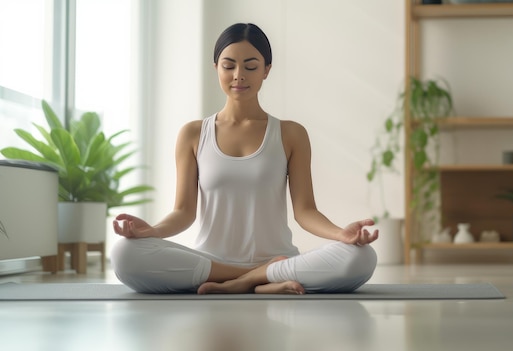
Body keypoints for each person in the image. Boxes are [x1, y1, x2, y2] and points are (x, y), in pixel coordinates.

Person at [111, 23, 378, 295]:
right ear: (215, 67)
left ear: (266, 70)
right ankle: (257, 280)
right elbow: (183, 212)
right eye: (229, 66)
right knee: (124, 253)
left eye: (250, 67)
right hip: (212, 263)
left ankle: (256, 277)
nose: (239, 76)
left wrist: (341, 234)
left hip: (279, 258)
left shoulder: (291, 133)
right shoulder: (192, 134)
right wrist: (152, 232)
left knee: (362, 257)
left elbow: (305, 211)